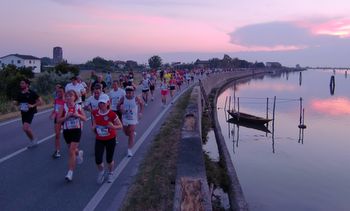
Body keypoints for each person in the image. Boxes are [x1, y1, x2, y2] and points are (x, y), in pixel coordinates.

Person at [57, 90, 87, 182]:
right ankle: (79, 153)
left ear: (75, 97)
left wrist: (77, 115)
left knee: (71, 151)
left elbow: (85, 118)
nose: (69, 98)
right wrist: (67, 116)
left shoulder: (78, 106)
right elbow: (58, 120)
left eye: (71, 96)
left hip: (76, 130)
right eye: (67, 96)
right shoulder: (63, 107)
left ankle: (70, 173)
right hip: (67, 131)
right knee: (72, 150)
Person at [92, 94, 122, 184]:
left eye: (103, 103)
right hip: (99, 139)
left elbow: (120, 126)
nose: (101, 105)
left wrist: (113, 127)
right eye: (100, 103)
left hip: (110, 139)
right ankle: (101, 172)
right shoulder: (95, 112)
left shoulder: (112, 114)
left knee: (109, 159)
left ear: (108, 103)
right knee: (98, 159)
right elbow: (95, 122)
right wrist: (93, 127)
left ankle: (111, 173)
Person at [14, 79, 42, 148]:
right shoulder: (20, 93)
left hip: (30, 112)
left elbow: (40, 102)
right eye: (21, 83)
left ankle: (34, 140)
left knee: (25, 128)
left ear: (27, 85)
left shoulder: (32, 93)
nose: (21, 85)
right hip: (23, 112)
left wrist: (32, 105)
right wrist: (15, 103)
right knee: (26, 128)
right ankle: (33, 140)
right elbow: (17, 103)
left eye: (22, 83)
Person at [118, 86, 144, 157]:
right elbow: (118, 105)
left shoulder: (136, 98)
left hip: (133, 119)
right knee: (126, 133)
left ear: (133, 93)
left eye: (130, 93)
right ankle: (132, 134)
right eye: (127, 93)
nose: (128, 94)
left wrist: (141, 112)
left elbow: (142, 104)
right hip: (125, 118)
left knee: (131, 132)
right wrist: (121, 110)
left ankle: (129, 150)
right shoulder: (123, 98)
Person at [49, 85, 65, 158]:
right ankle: (57, 151)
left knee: (68, 135)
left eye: (60, 92)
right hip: (57, 119)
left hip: (65, 118)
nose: (59, 93)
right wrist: (52, 114)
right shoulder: (56, 100)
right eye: (57, 92)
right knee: (57, 135)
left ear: (64, 92)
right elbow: (55, 109)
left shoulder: (66, 100)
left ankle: (73, 148)